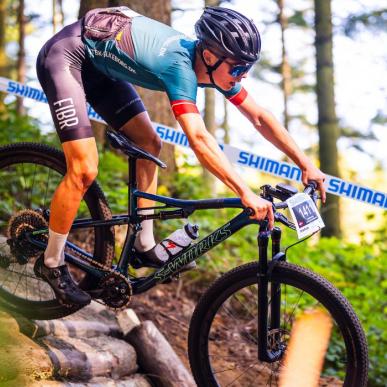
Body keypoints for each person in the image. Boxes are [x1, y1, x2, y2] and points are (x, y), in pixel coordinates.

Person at [34, 6, 326, 306]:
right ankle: (51, 262)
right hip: (66, 58)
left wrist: (306, 164)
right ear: (210, 57)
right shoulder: (180, 68)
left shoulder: (214, 67)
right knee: (84, 169)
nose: (243, 75)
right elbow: (199, 139)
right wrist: (245, 192)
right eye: (238, 68)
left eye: (246, 68)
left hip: (101, 69)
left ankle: (144, 245)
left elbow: (260, 118)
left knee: (150, 144)